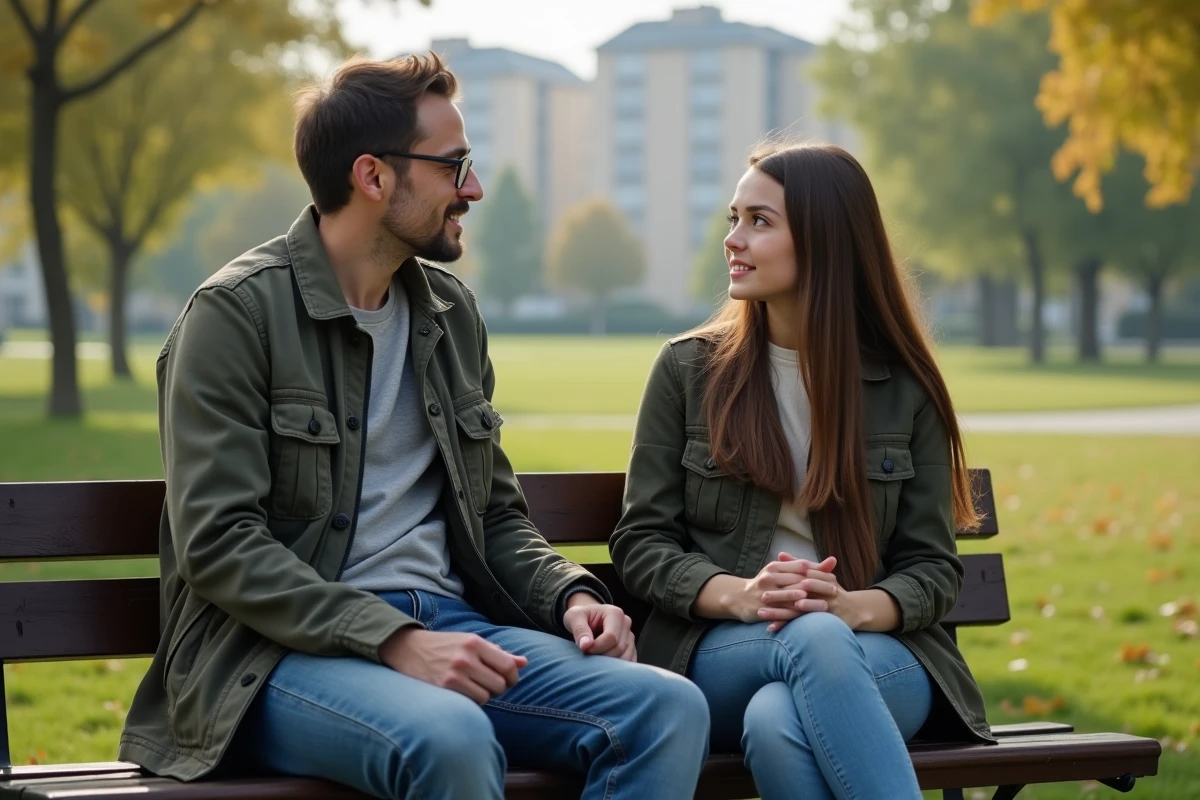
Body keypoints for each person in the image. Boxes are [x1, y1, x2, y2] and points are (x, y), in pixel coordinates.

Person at [118, 53, 710, 800]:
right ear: (373, 177)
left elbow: (494, 514)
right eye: (454, 165)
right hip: (268, 659)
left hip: (453, 631)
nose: (475, 188)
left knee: (666, 708)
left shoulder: (450, 315)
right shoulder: (236, 315)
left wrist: (571, 596)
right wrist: (394, 639)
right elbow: (220, 544)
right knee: (449, 734)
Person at [609, 141, 994, 800]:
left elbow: (932, 569)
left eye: (759, 221)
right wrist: (742, 595)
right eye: (734, 218)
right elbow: (641, 544)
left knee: (778, 718)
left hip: (879, 655)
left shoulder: (906, 389)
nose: (733, 239)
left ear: (824, 240)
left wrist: (851, 607)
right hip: (721, 649)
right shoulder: (687, 371)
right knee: (809, 641)